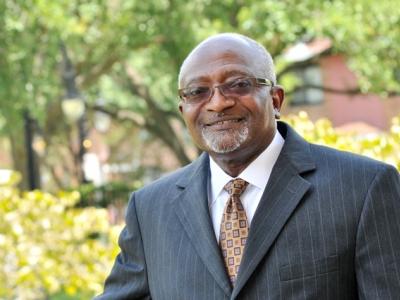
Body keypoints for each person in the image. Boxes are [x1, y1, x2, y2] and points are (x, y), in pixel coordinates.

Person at [96, 33, 400, 299]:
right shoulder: (150, 208)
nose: (218, 103)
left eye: (238, 84)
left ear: (276, 100)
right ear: (183, 110)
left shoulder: (364, 189)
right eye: (198, 92)